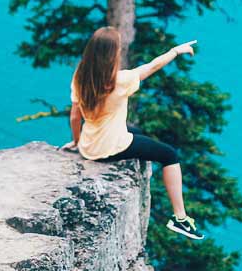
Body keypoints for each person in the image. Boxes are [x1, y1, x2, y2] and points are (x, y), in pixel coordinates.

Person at [64, 26, 203, 239]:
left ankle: (178, 215)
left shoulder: (81, 76)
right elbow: (150, 67)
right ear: (112, 53)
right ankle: (180, 218)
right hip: (110, 147)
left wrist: (76, 142)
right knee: (169, 155)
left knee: (136, 131)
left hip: (89, 143)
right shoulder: (120, 80)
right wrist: (175, 51)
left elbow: (75, 117)